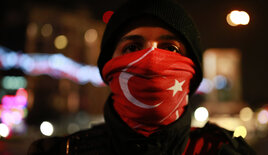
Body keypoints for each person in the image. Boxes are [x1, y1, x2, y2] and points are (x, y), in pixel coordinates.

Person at [28, 0, 255, 154]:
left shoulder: (221, 150)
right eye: (133, 47)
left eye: (170, 48)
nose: (151, 58)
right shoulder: (62, 151)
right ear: (108, 68)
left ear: (192, 71)